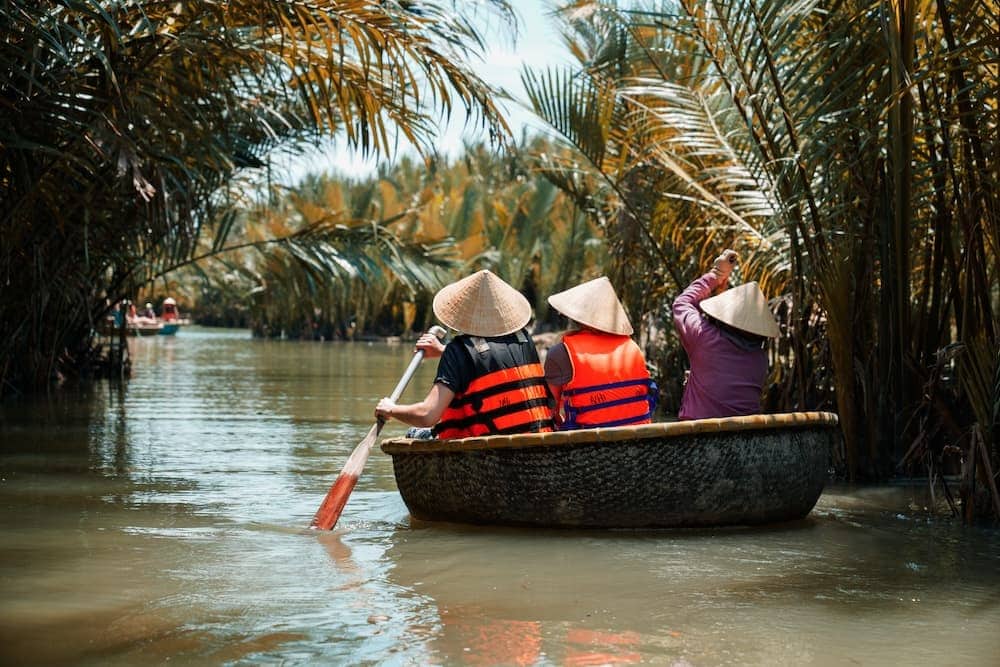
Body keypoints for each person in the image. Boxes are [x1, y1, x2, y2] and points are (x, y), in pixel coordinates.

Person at [375, 270, 554, 439]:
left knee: (414, 433)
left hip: (491, 448)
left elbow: (428, 415)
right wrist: (442, 351)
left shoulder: (458, 350)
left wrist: (390, 409)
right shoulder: (524, 340)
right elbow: (494, 362)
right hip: (538, 441)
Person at [672, 249, 780, 420]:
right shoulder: (760, 359)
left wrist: (717, 274)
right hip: (743, 439)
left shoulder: (704, 338)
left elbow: (682, 304)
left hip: (697, 440)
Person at [543, 276, 656, 429]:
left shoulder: (561, 353)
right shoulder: (633, 347)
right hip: (639, 440)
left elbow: (551, 410)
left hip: (589, 445)